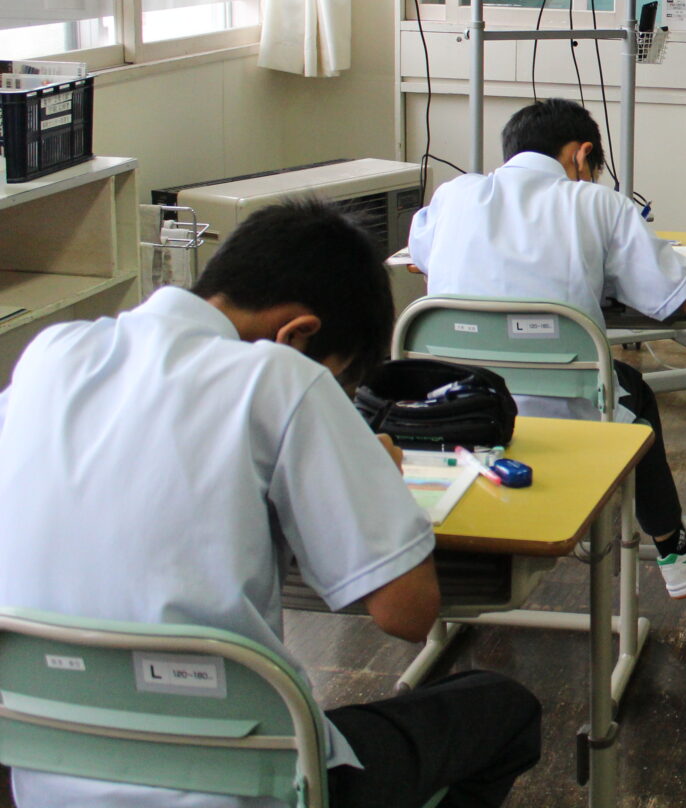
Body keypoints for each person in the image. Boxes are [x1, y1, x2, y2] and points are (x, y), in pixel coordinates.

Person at [0, 200, 541, 808]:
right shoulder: (281, 376)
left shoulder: (50, 354)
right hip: (239, 785)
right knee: (504, 711)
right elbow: (408, 614)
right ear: (298, 333)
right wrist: (378, 479)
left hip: (46, 773)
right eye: (339, 382)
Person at [408, 98, 686, 599]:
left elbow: (423, 261)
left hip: (456, 408)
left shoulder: (453, 196)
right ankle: (675, 546)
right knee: (634, 391)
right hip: (565, 409)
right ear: (582, 156)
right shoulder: (595, 204)